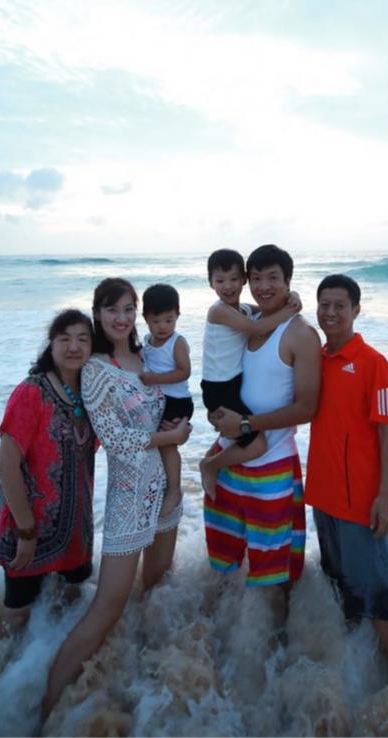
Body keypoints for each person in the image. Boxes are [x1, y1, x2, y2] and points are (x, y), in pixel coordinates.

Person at [42, 278, 191, 720]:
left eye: (128, 309)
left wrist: (178, 432)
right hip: (128, 499)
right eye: (112, 310)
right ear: (98, 314)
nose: (121, 318)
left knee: (156, 587)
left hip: (165, 491)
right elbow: (115, 440)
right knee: (107, 606)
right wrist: (169, 437)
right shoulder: (96, 369)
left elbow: (175, 399)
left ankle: (137, 679)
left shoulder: (148, 355)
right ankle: (45, 708)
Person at [304, 274, 388, 688]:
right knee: (342, 595)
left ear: (356, 310)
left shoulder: (372, 363)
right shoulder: (315, 359)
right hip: (323, 499)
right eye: (324, 305)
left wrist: (386, 496)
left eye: (340, 306)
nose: (330, 313)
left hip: (361, 506)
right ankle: (355, 681)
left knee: (381, 605)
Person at [204, 244, 321, 588]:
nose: (264, 286)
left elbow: (307, 408)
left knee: (274, 571)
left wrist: (245, 424)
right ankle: (216, 622)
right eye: (257, 278)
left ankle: (274, 626)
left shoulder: (301, 334)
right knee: (223, 565)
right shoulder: (250, 319)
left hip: (271, 467)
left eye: (273, 278)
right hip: (228, 458)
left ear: (288, 281)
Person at [0, 309, 97, 632]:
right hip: (28, 530)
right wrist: (26, 531)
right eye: (64, 339)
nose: (73, 347)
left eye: (82, 339)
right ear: (50, 345)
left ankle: (54, 659)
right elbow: (5, 465)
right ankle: (7, 662)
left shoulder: (91, 394)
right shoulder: (31, 392)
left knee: (70, 604)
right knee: (19, 615)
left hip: (76, 529)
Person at [198, 248, 301, 499]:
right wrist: (290, 310)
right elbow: (257, 328)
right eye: (220, 280)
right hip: (218, 387)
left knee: (239, 436)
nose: (228, 286)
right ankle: (210, 465)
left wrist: (291, 296)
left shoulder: (243, 309)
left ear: (243, 279)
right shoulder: (218, 311)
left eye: (234, 278)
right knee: (257, 444)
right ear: (210, 283)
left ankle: (217, 463)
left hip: (231, 384)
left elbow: (266, 311)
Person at [139, 283, 194, 517]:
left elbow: (185, 371)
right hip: (159, 400)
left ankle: (174, 490)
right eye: (156, 321)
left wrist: (155, 379)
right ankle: (160, 485)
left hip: (177, 401)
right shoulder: (147, 341)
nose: (163, 326)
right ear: (145, 318)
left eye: (169, 320)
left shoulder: (177, 342)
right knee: (157, 443)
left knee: (167, 444)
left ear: (177, 316)